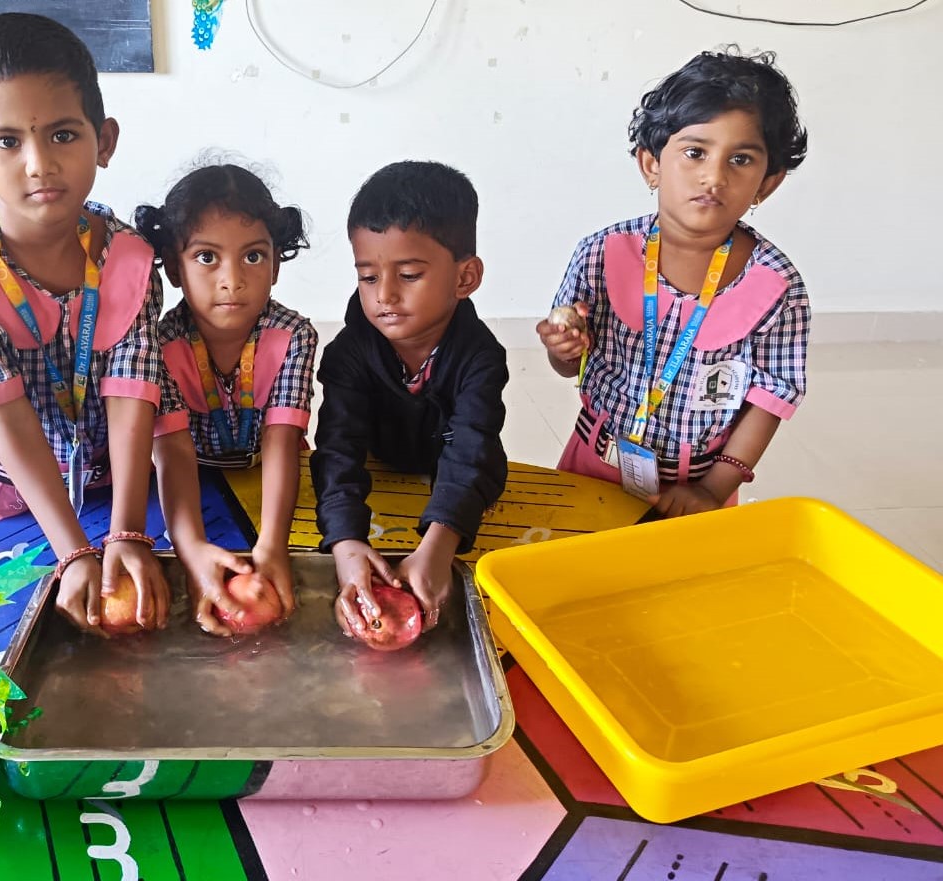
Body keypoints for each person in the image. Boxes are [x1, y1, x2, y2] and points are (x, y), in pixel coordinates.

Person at [0, 13, 169, 635]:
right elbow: (4, 418)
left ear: (104, 141)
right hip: (13, 496)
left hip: (123, 487)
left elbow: (133, 396)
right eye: (7, 141)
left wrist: (126, 532)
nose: (38, 163)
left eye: (62, 134)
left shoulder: (130, 258)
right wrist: (74, 550)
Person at [538, 47, 810, 517]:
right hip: (592, 465)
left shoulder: (776, 285)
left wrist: (713, 489)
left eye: (741, 159)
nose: (714, 176)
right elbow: (567, 367)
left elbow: (770, 398)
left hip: (696, 490)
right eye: (694, 152)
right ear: (651, 165)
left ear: (767, 183)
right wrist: (563, 349)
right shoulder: (601, 254)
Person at [311, 160, 508, 637]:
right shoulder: (348, 354)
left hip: (458, 480)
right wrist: (345, 541)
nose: (385, 295)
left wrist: (439, 546)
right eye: (368, 277)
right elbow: (337, 449)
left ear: (465, 278)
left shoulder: (482, 357)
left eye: (410, 274)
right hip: (380, 468)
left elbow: (471, 450)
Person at [135, 163, 316, 635]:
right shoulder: (158, 344)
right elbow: (172, 452)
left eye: (253, 256)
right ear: (174, 267)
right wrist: (191, 547)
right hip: (193, 484)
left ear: (276, 265)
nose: (232, 279)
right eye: (207, 257)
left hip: (270, 482)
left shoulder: (294, 335)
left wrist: (273, 545)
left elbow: (281, 440)